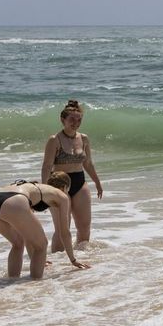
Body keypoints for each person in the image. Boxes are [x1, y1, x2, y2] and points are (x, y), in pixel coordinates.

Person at [0, 173, 90, 279]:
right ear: (65, 187)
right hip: (15, 201)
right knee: (42, 245)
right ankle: (34, 283)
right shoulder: (61, 195)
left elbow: (28, 236)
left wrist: (36, 258)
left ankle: (12, 281)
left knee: (18, 243)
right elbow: (64, 232)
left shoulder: (36, 187)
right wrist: (73, 260)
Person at [42, 99, 103, 252]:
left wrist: (97, 182)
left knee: (84, 227)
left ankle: (81, 258)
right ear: (63, 119)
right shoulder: (54, 140)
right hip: (59, 185)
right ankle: (58, 260)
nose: (75, 123)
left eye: (79, 120)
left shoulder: (83, 138)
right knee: (63, 228)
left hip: (80, 182)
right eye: (72, 119)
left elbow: (88, 163)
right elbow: (47, 166)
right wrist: (44, 189)